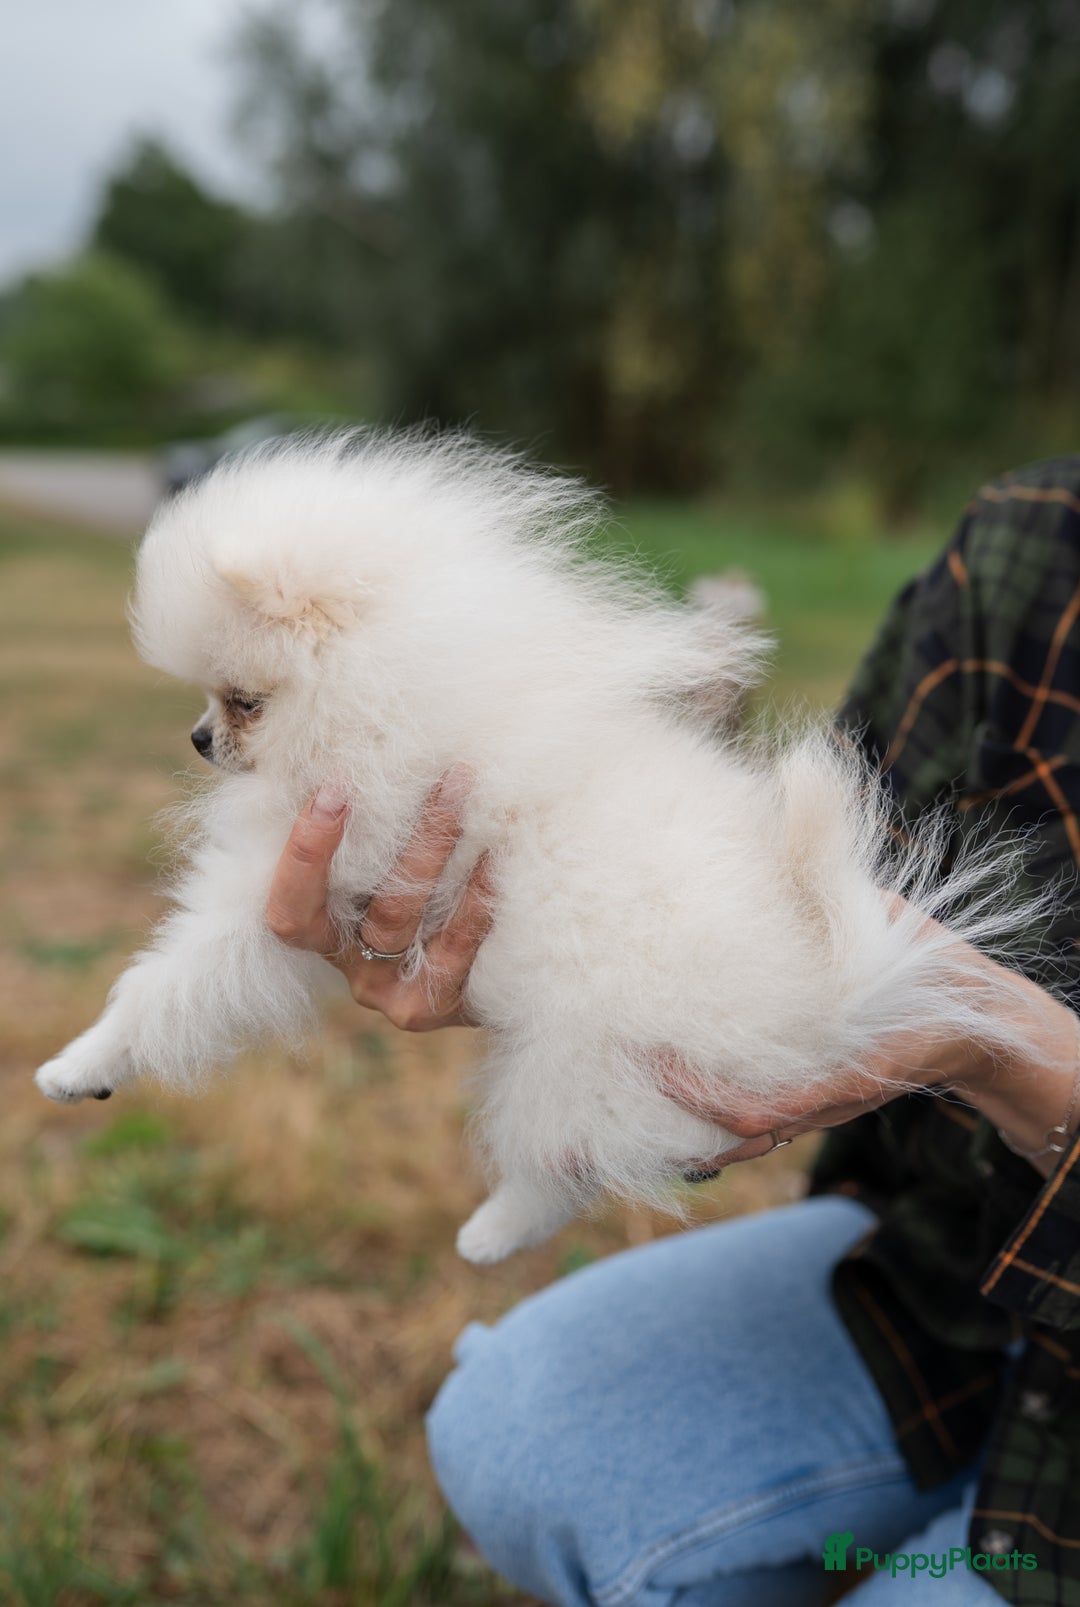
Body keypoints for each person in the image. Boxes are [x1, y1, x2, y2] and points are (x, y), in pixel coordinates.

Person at [264, 457, 1080, 1606]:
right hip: (946, 1284)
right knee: (524, 1437)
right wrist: (577, 900)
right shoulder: (1031, 544)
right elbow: (825, 840)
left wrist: (1010, 1049)